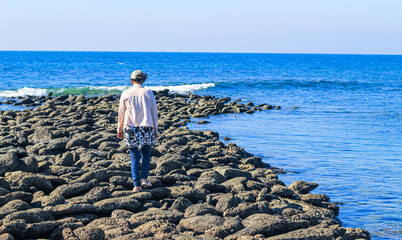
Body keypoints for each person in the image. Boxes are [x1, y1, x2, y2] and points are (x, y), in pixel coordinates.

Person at [117, 70, 158, 192]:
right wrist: (155, 129)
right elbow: (153, 112)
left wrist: (119, 129)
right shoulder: (148, 92)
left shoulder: (126, 93)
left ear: (131, 80)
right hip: (146, 126)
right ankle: (144, 179)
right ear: (143, 80)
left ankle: (136, 185)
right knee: (146, 153)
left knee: (134, 156)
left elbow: (121, 112)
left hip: (130, 127)